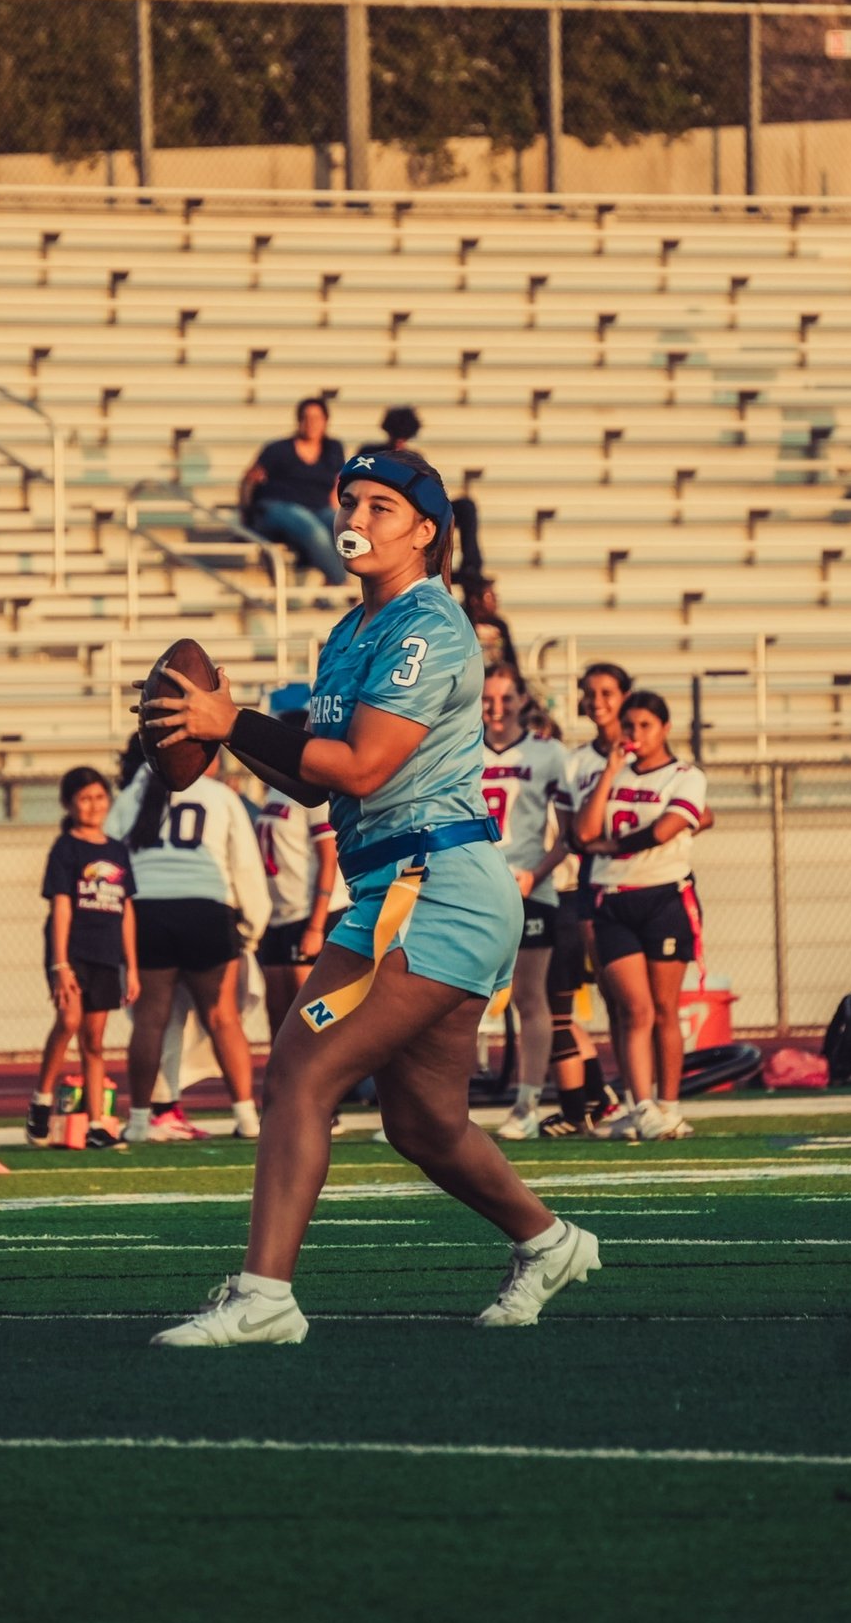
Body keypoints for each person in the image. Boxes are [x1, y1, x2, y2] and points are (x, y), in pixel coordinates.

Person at [143, 445, 600, 1346]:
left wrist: (227, 721)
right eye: (349, 498)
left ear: (426, 532)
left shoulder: (427, 623)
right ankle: (549, 1241)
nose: (356, 513)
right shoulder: (351, 633)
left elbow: (363, 764)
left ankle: (265, 1296)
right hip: (398, 886)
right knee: (423, 1124)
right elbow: (318, 785)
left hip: (435, 887)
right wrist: (226, 729)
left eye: (382, 505)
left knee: (302, 1072)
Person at [106, 751, 271, 1144]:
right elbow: (245, 865)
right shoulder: (220, 796)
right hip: (206, 911)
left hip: (147, 912)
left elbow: (112, 853)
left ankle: (142, 1121)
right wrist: (251, 927)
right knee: (222, 1018)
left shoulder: (134, 793)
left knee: (150, 1021)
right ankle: (247, 1117)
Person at [574, 690, 708, 1143]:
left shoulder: (685, 776)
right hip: (613, 899)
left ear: (665, 728)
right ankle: (643, 1105)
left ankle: (669, 1106)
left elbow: (666, 829)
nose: (634, 735)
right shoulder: (610, 773)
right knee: (635, 1008)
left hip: (664, 898)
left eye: (645, 725)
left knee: (666, 1008)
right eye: (629, 726)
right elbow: (584, 832)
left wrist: (610, 847)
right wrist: (610, 771)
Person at [541, 662, 637, 1139]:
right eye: (589, 692)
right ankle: (615, 1100)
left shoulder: (645, 752)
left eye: (606, 692)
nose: (596, 700)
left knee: (634, 1005)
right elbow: (575, 835)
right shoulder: (576, 760)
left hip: (642, 888)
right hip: (589, 890)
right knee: (608, 999)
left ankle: (644, 1100)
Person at [25, 767, 140, 1152]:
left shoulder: (117, 849)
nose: (94, 805)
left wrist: (132, 967)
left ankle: (95, 1125)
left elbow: (126, 911)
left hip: (106, 953)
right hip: (71, 952)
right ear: (69, 804)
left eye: (99, 797)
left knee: (94, 1041)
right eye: (85, 798)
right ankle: (41, 1100)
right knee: (69, 1020)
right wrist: (60, 964)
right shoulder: (66, 848)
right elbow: (60, 908)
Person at [480, 663, 570, 1141]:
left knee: (529, 999)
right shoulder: (458, 747)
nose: (496, 710)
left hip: (528, 887)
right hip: (471, 889)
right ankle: (440, 1107)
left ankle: (527, 1103)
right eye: (487, 700)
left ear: (522, 701)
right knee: (453, 1000)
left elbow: (568, 835)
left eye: (505, 699)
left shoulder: (549, 753)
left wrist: (535, 874)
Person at [253, 684, 348, 1039]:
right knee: (276, 1009)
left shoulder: (312, 792)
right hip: (279, 913)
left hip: (309, 914)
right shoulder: (275, 788)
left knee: (309, 1013)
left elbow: (328, 859)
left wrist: (315, 925)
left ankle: (332, 1086)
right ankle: (285, 1084)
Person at [362, 406, 485, 583]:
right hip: (390, 511)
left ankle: (471, 567)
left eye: (403, 438)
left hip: (418, 509)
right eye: (396, 438)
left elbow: (428, 490)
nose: (399, 443)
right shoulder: (371, 455)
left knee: (465, 506)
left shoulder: (415, 457)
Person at [239, 396, 346, 584]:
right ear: (298, 420)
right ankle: (343, 585)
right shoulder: (278, 449)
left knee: (342, 527)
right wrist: (247, 514)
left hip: (317, 509)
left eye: (317, 418)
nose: (311, 423)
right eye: (306, 417)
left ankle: (331, 584)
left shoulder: (333, 449)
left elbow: (336, 485)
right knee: (314, 531)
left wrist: (336, 514)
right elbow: (249, 480)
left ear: (325, 422)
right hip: (278, 507)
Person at [462, 574, 518, 669]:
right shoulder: (464, 626)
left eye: (495, 596)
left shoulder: (500, 625)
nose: (495, 600)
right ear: (475, 600)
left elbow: (511, 661)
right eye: (490, 596)